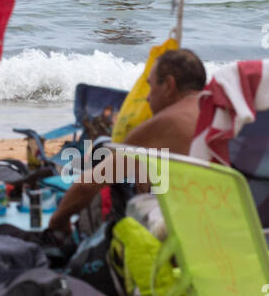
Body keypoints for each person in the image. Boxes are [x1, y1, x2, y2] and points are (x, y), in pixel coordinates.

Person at [45, 48, 207, 235]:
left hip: (183, 239)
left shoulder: (163, 125)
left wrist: (58, 221)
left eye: (151, 86)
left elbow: (87, 186)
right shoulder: (223, 114)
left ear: (169, 85)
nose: (147, 97)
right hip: (223, 232)